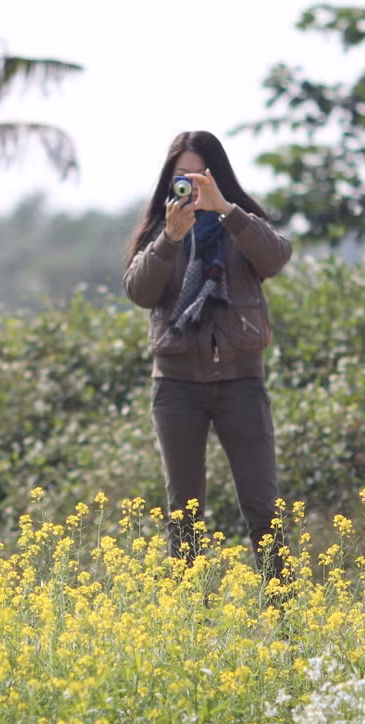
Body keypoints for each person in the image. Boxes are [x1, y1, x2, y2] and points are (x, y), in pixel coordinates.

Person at [123, 130, 292, 578]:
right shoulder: (161, 231)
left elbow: (275, 259)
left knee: (262, 506)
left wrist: (228, 211)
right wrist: (170, 241)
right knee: (185, 511)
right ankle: (189, 624)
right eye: (182, 177)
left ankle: (287, 620)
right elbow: (139, 292)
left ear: (216, 176)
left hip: (241, 381)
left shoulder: (241, 223)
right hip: (177, 386)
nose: (190, 186)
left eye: (198, 176)